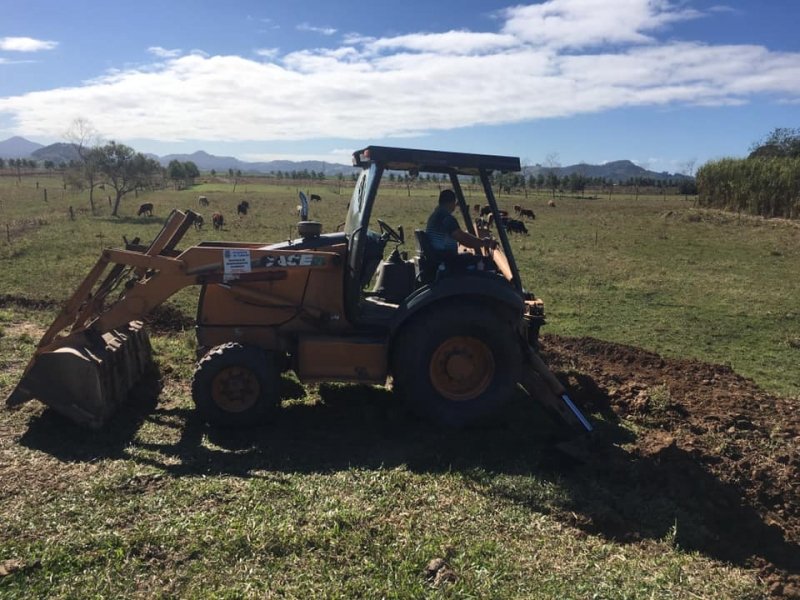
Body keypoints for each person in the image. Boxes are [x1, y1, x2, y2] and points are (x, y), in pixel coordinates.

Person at [425, 189, 497, 270]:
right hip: (447, 261)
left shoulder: (434, 216)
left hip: (439, 258)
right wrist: (484, 242)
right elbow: (464, 239)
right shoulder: (446, 218)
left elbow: (460, 235)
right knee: (484, 262)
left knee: (469, 256)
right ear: (452, 202)